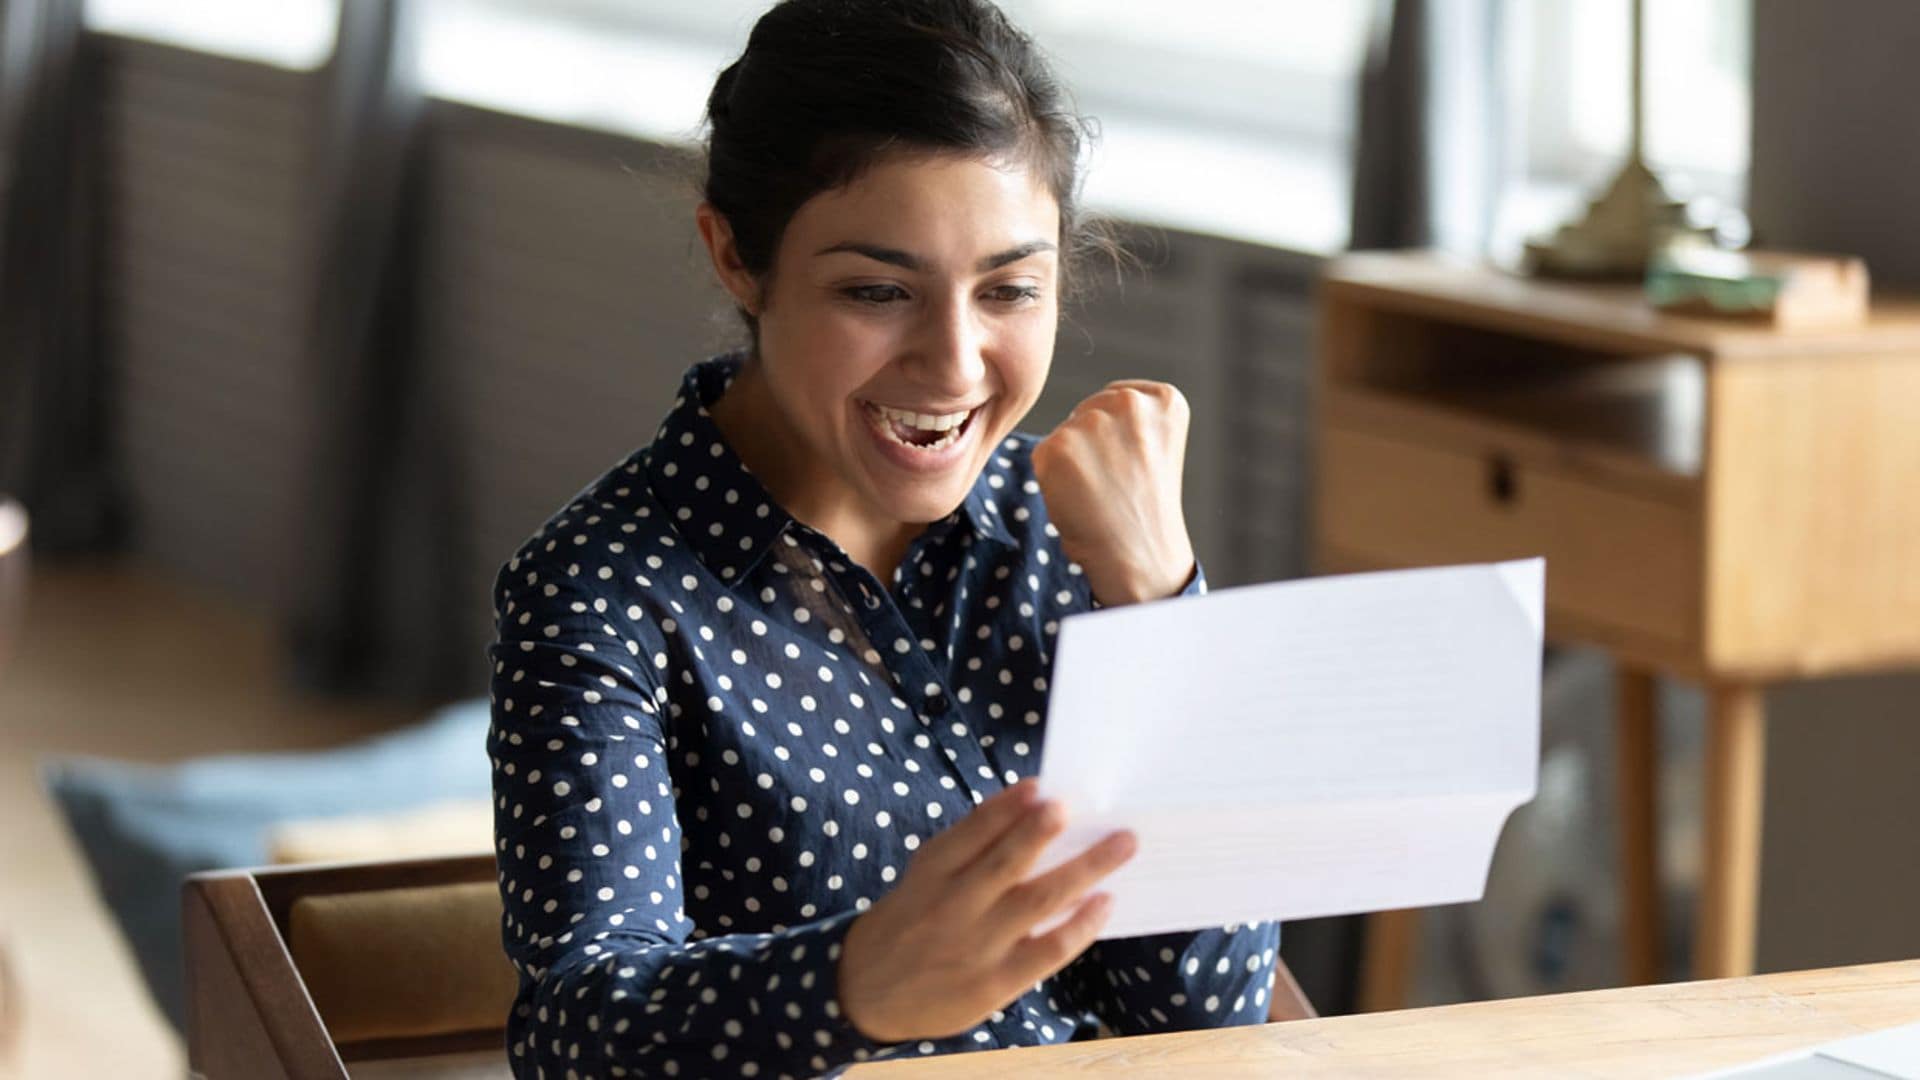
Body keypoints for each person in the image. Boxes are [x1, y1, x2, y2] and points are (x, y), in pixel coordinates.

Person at [486, 1, 1281, 1075]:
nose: (954, 364)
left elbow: (1212, 1011)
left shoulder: (1084, 533)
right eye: (876, 290)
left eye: (1009, 288)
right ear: (735, 255)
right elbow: (575, 1035)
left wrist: (1159, 601)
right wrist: (857, 984)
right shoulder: (600, 591)